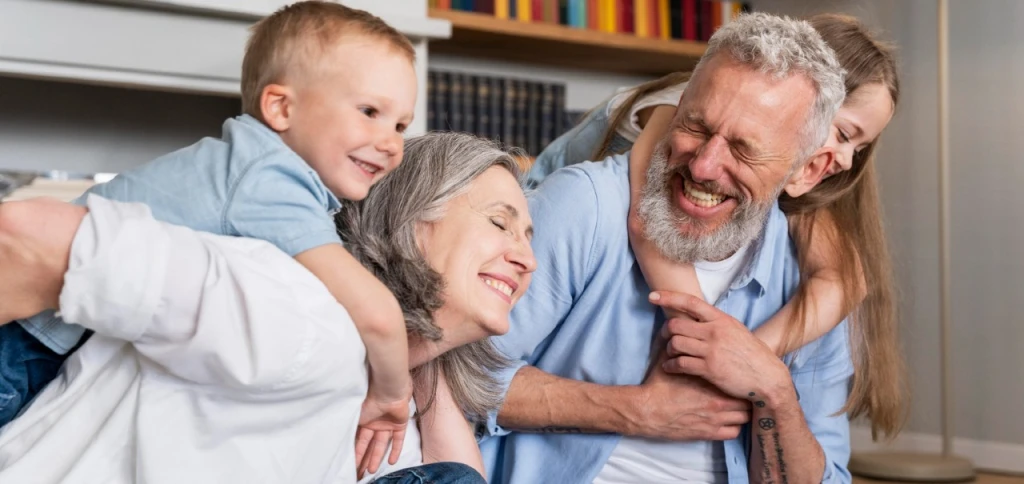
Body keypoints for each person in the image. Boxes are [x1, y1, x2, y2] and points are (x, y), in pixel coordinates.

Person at [0, 132, 536, 484]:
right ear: (413, 222)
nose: (527, 258)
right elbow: (26, 236)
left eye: (529, 237)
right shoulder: (285, 302)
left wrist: (419, 359)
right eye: (499, 222)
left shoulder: (393, 413)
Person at [0, 1, 417, 449]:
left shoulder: (245, 166)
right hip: (26, 341)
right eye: (370, 112)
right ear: (280, 108)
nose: (391, 144)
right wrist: (393, 395)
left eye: (401, 125)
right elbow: (375, 314)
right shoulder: (271, 180)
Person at [479, 12, 859, 483]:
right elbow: (451, 374)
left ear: (807, 171)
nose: (703, 166)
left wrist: (774, 389)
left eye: (743, 150)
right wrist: (633, 411)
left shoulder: (807, 284)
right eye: (696, 127)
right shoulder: (585, 206)